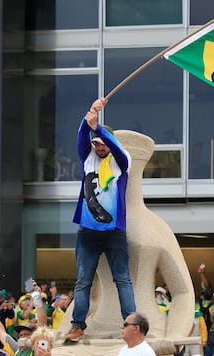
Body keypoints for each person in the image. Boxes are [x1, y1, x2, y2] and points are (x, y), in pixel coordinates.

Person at [66, 97, 135, 342]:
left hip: (114, 231)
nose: (99, 146)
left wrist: (99, 128)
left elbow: (117, 148)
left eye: (103, 142)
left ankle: (131, 323)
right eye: (96, 143)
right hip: (88, 232)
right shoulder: (88, 158)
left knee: (123, 279)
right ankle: (77, 324)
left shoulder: (121, 159)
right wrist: (91, 114)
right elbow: (81, 135)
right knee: (83, 281)